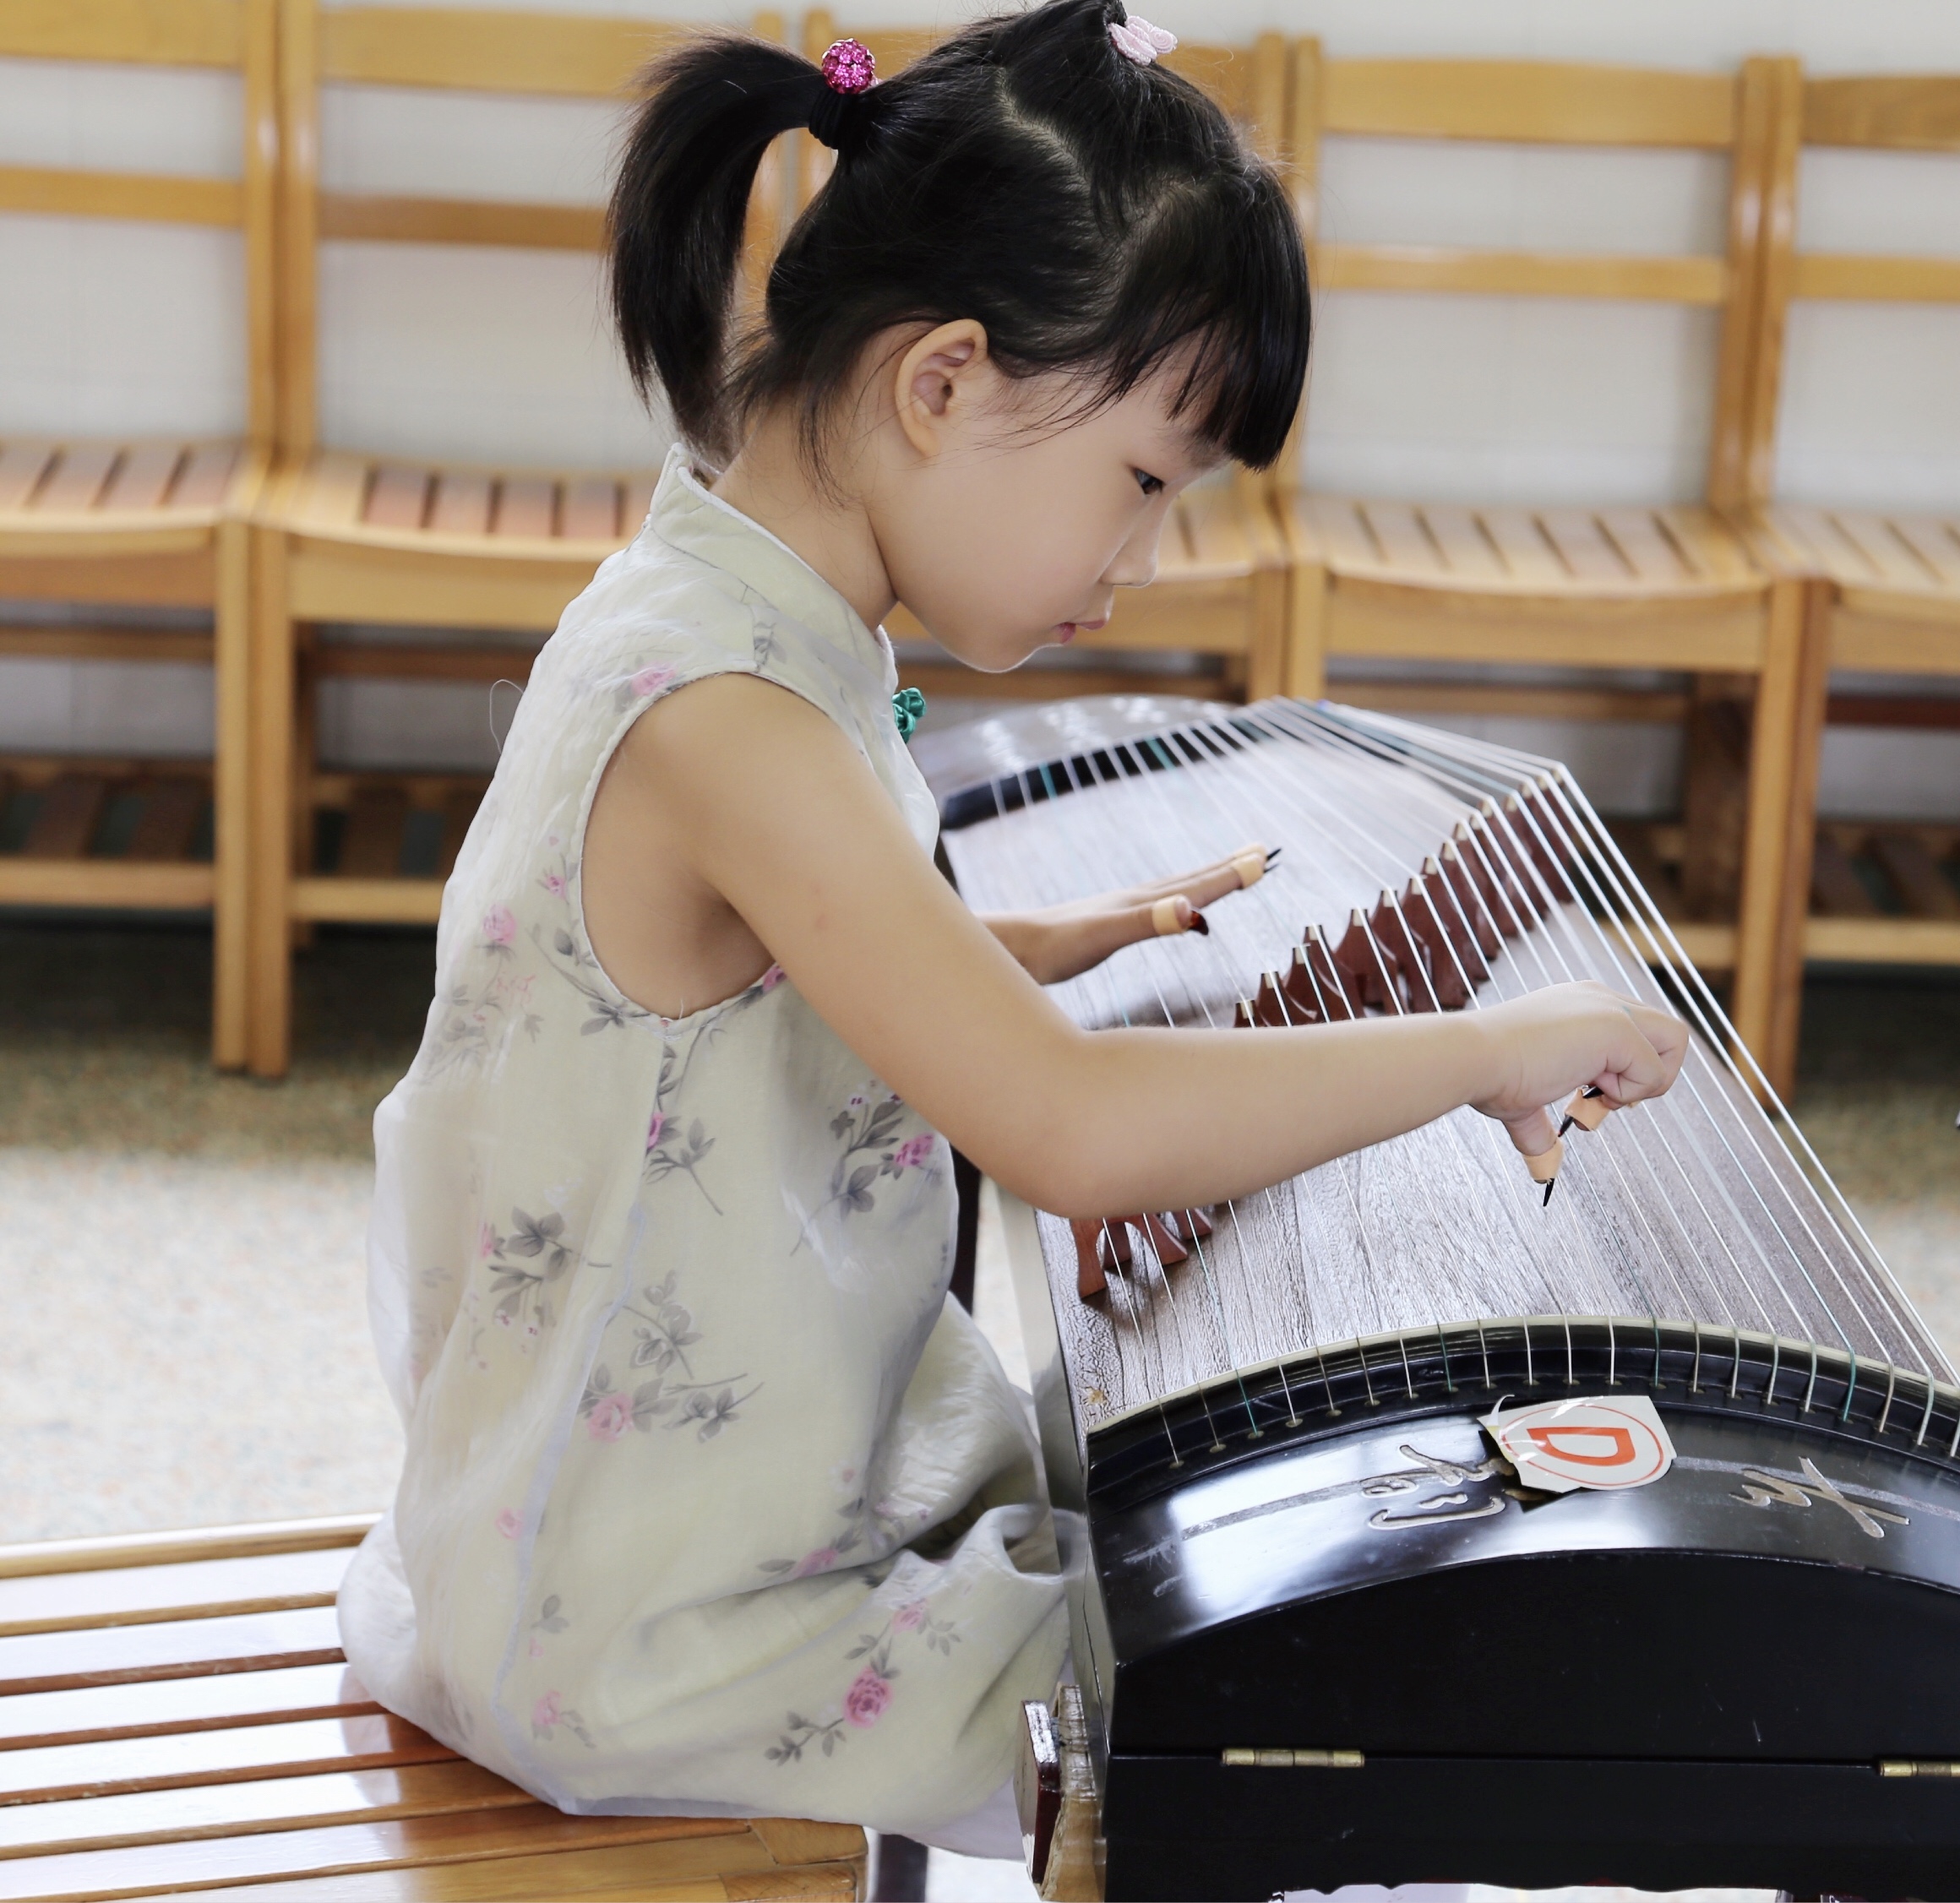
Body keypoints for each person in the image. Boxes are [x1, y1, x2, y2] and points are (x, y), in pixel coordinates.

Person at [337, 0, 1687, 1859]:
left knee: (1227, 1563)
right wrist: (1491, 1049)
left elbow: (773, 982)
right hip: (651, 1626)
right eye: (1141, 480)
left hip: (678, 1519)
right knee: (1295, 1703)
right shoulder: (727, 706)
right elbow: (1065, 1130)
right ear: (945, 381)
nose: (1141, 563)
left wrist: (1039, 945)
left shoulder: (736, 605)